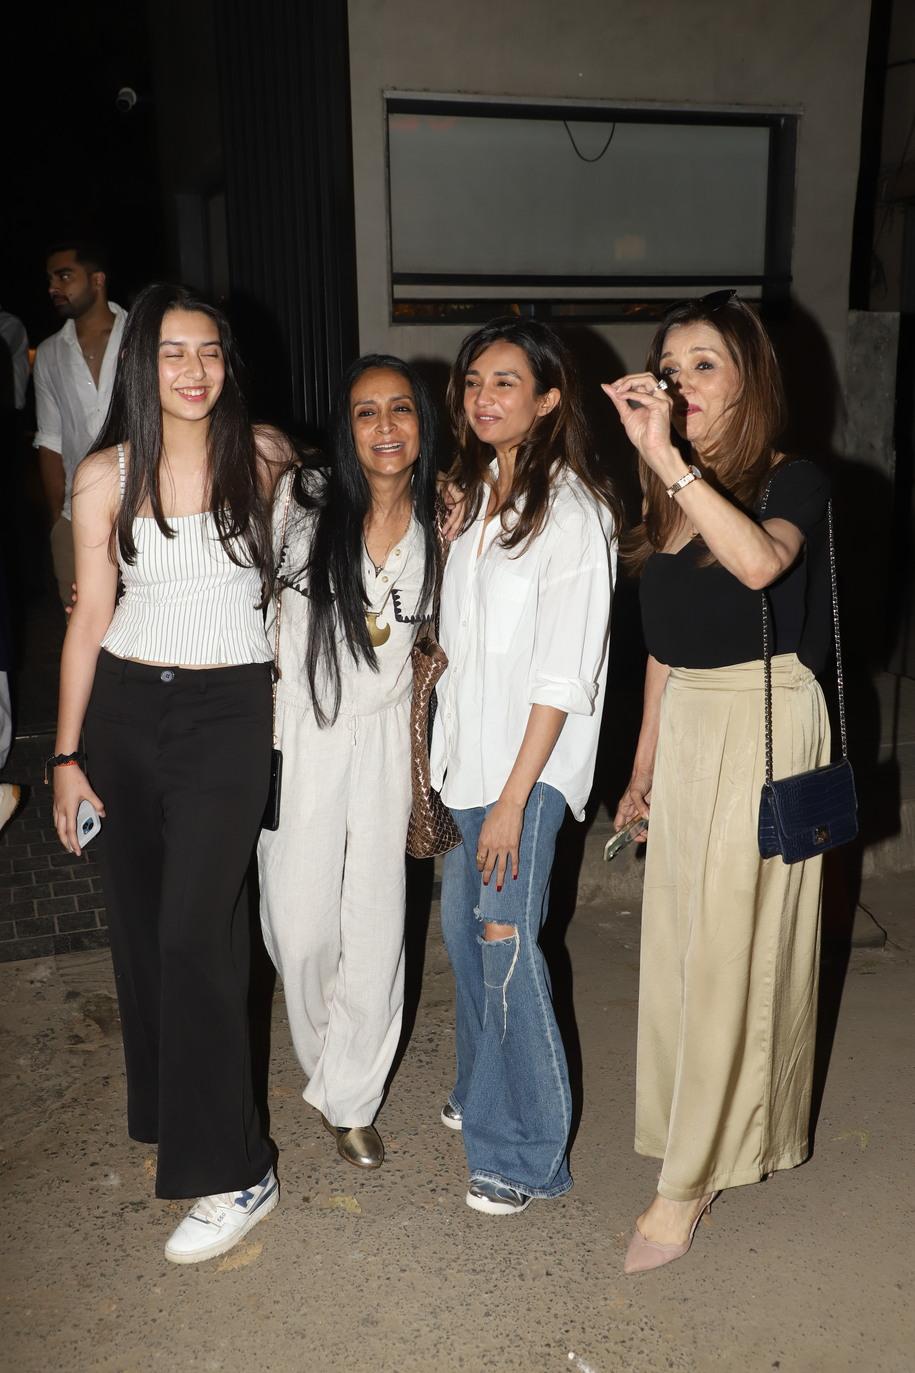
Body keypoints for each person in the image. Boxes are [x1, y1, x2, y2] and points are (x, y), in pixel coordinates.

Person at [51, 283, 289, 1264]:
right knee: (146, 932)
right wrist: (66, 757)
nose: (195, 371)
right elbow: (88, 616)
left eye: (210, 352)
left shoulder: (265, 457)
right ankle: (171, 1109)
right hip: (124, 710)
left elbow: (341, 540)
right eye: (173, 353)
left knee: (198, 934)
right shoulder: (103, 474)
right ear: (142, 365)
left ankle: (237, 1168)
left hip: (229, 714)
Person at [602, 290, 832, 1273]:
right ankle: (694, 1133)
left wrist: (671, 462)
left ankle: (689, 1179)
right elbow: (664, 643)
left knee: (736, 951)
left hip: (765, 719)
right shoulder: (671, 493)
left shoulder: (791, 479)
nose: (683, 381)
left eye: (705, 363)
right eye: (671, 366)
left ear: (749, 378)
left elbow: (760, 566)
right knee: (683, 948)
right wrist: (642, 766)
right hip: (694, 718)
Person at [430, 317, 619, 1215]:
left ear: (547, 399)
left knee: (504, 942)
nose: (482, 397)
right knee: (463, 936)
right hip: (467, 762)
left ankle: (526, 1152)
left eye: (505, 382)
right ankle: (481, 1089)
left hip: (526, 772)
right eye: (473, 381)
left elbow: (560, 675)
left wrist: (513, 799)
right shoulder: (475, 498)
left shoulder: (574, 513)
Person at [258, 354, 440, 1169]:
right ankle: (327, 1059)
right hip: (300, 732)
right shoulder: (301, 500)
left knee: (375, 923)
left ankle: (352, 1097)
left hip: (385, 737)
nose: (385, 426)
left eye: (401, 408)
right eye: (367, 411)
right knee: (298, 929)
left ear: (422, 424)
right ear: (346, 427)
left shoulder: (444, 523)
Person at [33, 241, 127, 607]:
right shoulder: (48, 353)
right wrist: (59, 522)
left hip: (145, 512)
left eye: (64, 276)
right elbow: (50, 440)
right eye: (50, 279)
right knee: (82, 624)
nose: (53, 288)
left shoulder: (142, 335)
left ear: (97, 279)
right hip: (78, 518)